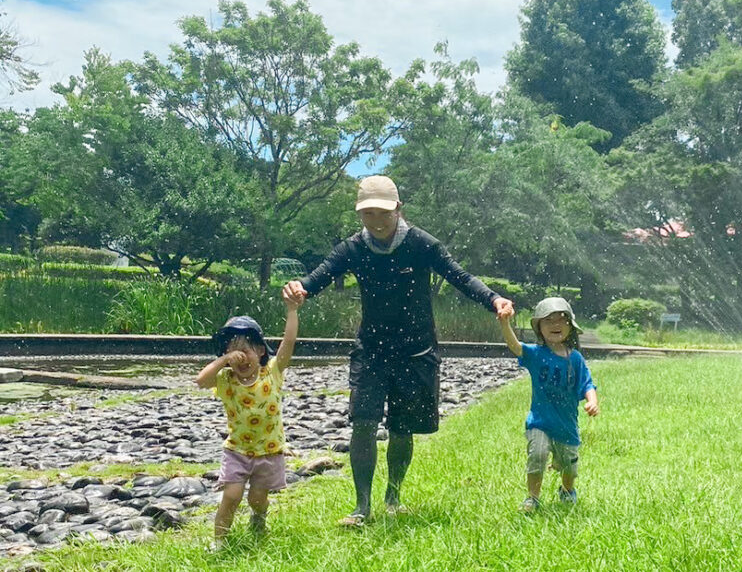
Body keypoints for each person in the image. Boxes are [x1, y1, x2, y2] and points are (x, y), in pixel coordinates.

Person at [282, 175, 514, 526]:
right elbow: (317, 279)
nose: (376, 222)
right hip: (371, 351)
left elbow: (461, 277)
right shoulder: (352, 249)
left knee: (402, 429)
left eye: (383, 214)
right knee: (362, 423)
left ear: (398, 209)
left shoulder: (422, 244)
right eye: (368, 214)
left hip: (415, 351)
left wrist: (494, 299)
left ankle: (393, 496)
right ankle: (362, 507)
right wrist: (299, 289)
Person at [197, 293, 302, 551]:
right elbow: (201, 380)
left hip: (269, 451)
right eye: (231, 353)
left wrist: (291, 310)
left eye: (244, 350)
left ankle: (259, 517)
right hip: (237, 451)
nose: (239, 359)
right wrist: (223, 361)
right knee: (231, 496)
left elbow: (288, 342)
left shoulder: (273, 373)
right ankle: (219, 541)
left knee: (257, 499)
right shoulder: (225, 379)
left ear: (260, 350)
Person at [498, 296, 598, 512]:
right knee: (538, 455)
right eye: (548, 320)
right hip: (540, 422)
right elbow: (515, 346)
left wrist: (592, 402)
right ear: (539, 328)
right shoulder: (536, 354)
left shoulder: (576, 359)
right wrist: (505, 323)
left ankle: (567, 490)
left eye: (561, 319)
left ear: (570, 326)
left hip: (567, 426)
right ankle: (532, 498)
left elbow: (587, 384)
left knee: (569, 467)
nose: (555, 325)